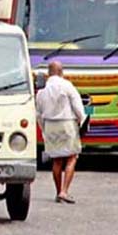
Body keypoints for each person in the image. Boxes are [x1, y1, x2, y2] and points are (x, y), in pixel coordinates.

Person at [35, 61, 85, 204]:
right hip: (67, 124)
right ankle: (64, 191)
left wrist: (44, 129)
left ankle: (58, 192)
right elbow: (77, 106)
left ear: (48, 74)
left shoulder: (42, 92)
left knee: (57, 160)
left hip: (50, 125)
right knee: (72, 157)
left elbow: (38, 114)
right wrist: (82, 120)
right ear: (61, 72)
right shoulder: (67, 86)